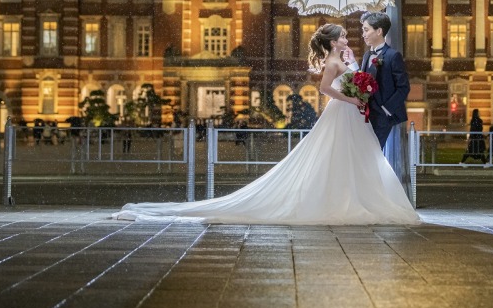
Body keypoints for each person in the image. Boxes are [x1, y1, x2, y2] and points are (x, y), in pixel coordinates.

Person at [114, 23, 419, 225]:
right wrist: (352, 99)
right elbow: (325, 89)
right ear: (332, 40)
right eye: (342, 36)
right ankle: (341, 200)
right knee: (338, 155)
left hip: (352, 114)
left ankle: (352, 197)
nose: (347, 38)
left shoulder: (345, 57)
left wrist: (353, 69)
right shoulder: (331, 61)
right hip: (343, 112)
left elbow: (355, 78)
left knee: (356, 157)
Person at [359, 12, 411, 150]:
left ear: (379, 31)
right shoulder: (366, 55)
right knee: (365, 152)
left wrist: (386, 109)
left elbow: (403, 87)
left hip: (383, 115)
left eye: (366, 30)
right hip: (365, 115)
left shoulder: (393, 56)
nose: (363, 34)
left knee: (373, 152)